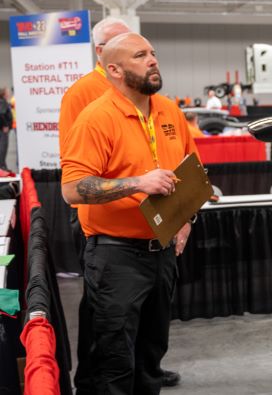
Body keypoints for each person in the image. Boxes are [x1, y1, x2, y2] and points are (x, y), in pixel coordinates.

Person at [61, 32, 197, 394]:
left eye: (153, 52)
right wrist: (138, 183)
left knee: (151, 357)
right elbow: (72, 188)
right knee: (114, 363)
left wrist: (186, 218)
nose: (153, 59)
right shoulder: (96, 119)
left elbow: (190, 169)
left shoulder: (169, 111)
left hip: (163, 252)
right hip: (115, 256)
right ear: (114, 69)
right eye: (141, 55)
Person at [0, 87, 12, 170]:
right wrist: (5, 125)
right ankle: (2, 166)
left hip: (3, 128)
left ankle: (3, 165)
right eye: (8, 92)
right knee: (3, 147)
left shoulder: (3, 102)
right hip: (3, 129)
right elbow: (1, 113)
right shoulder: (3, 102)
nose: (9, 94)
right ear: (4, 94)